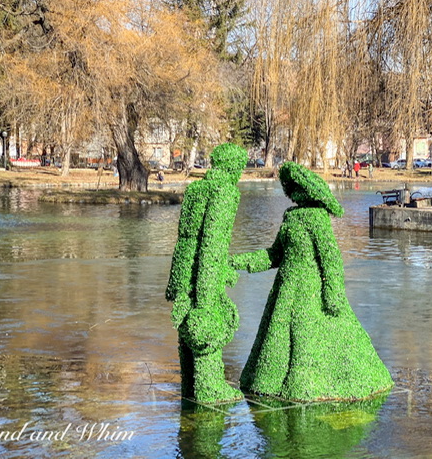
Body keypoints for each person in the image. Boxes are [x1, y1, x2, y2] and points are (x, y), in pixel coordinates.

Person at [231, 162, 393, 401]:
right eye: (291, 186)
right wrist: (239, 262)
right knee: (280, 338)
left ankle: (318, 384)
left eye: (298, 186)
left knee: (310, 339)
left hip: (311, 291)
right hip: (285, 290)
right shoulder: (290, 217)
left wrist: (333, 293)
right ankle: (272, 381)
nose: (293, 191)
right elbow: (275, 254)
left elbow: (331, 259)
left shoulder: (318, 218)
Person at [166, 143, 248, 403]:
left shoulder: (196, 188)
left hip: (182, 271)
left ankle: (190, 386)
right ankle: (209, 388)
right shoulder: (225, 192)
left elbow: (187, 238)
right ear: (234, 168)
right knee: (206, 321)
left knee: (186, 325)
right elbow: (212, 245)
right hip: (203, 273)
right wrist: (206, 298)